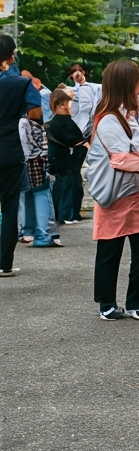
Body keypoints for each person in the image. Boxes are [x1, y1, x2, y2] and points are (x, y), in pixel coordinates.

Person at [90, 59, 139, 321]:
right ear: (127, 83)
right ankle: (107, 303)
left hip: (133, 193)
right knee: (111, 251)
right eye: (137, 78)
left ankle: (134, 301)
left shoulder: (127, 114)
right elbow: (122, 156)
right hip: (117, 195)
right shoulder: (109, 119)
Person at [0, 36, 42, 277]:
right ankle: (4, 263)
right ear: (10, 56)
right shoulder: (19, 83)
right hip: (8, 150)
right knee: (9, 208)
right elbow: (35, 113)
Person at [19, 111, 61, 248]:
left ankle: (28, 231)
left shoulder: (20, 121)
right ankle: (43, 234)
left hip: (24, 163)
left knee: (27, 196)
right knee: (42, 194)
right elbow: (28, 146)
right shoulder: (27, 123)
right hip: (35, 162)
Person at [48, 88, 87, 226]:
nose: (71, 106)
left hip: (58, 162)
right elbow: (77, 141)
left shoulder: (53, 122)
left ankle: (61, 213)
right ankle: (69, 214)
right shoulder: (64, 122)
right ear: (62, 104)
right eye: (69, 103)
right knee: (71, 183)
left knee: (61, 185)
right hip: (68, 163)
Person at [68, 63, 102, 221]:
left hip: (90, 134)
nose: (77, 74)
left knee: (78, 171)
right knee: (74, 172)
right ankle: (73, 210)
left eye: (79, 71)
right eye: (74, 72)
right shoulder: (71, 93)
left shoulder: (94, 89)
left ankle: (75, 210)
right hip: (77, 136)